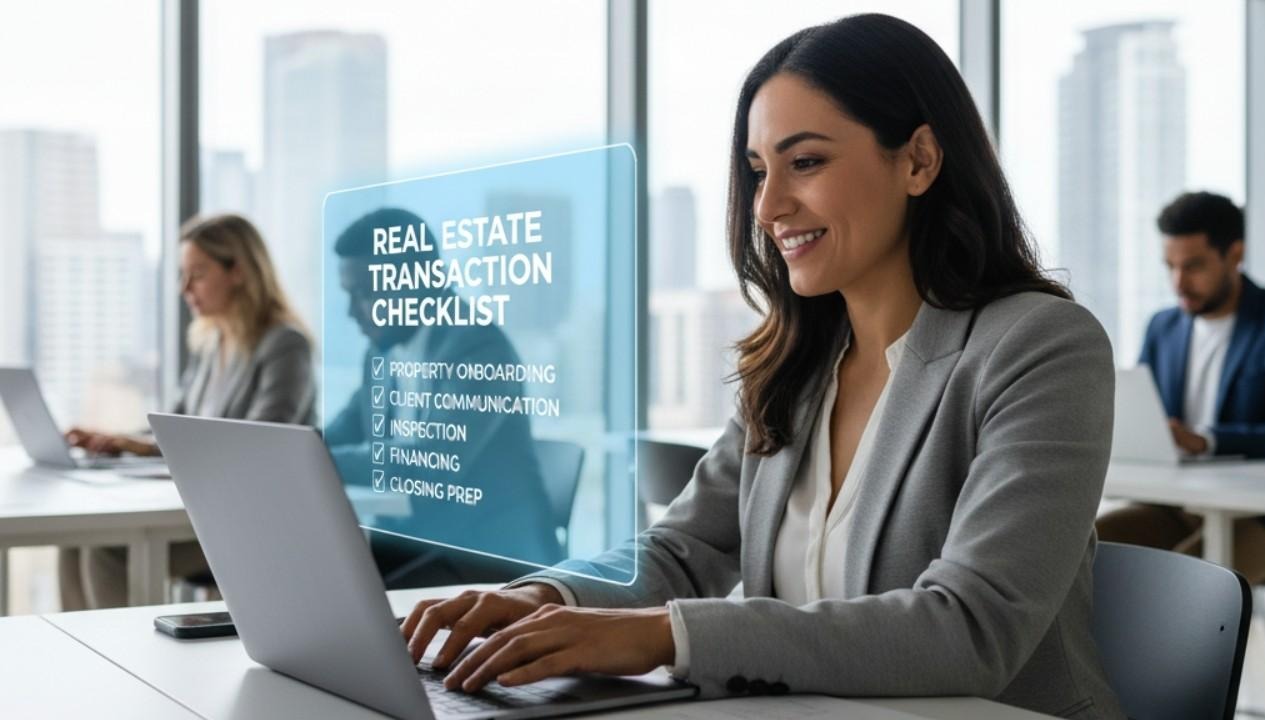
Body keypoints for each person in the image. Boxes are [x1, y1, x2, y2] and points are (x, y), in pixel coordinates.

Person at [396, 15, 1124, 719]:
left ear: (919, 160)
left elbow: (971, 628)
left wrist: (664, 635)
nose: (769, 206)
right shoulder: (794, 363)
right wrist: (551, 599)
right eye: (756, 171)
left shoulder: (1040, 347)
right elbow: (688, 547)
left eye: (805, 162)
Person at [60, 213, 316, 609]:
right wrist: (121, 441)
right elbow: (174, 426)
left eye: (197, 274)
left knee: (106, 550)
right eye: (183, 275)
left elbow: (261, 441)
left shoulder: (285, 345)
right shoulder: (211, 343)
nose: (184, 288)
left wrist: (143, 448)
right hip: (205, 508)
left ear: (239, 271)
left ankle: (121, 665)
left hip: (255, 522)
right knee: (76, 540)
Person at [325, 207, 561, 587]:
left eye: (364, 293)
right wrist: (290, 453)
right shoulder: (380, 353)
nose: (352, 312)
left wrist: (319, 461)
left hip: (489, 562)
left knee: (334, 591)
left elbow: (434, 459)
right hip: (411, 548)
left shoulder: (479, 346)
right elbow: (338, 433)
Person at [1096, 191, 1265, 584]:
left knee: (1182, 589)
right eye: (1170, 267)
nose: (1178, 283)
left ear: (1234, 254)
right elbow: (1146, 413)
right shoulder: (1163, 327)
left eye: (1193, 266)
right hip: (1176, 505)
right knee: (1084, 550)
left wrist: (1208, 441)